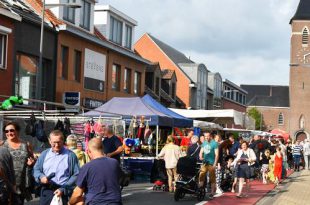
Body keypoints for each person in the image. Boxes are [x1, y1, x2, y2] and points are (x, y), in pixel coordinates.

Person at [69, 138, 122, 205]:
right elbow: (120, 179)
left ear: (89, 151)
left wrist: (69, 203)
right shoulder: (114, 163)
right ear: (103, 148)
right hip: (115, 202)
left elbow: (78, 193)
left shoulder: (87, 167)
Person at [33, 130, 80, 205]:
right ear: (49, 141)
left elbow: (76, 174)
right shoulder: (44, 154)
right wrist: (41, 177)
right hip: (47, 191)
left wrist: (63, 189)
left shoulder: (71, 155)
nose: (56, 145)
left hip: (63, 192)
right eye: (54, 142)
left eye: (58, 142)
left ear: (63, 141)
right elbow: (36, 169)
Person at [2, 121, 35, 205]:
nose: (9, 133)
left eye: (11, 130)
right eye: (6, 131)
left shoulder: (26, 145)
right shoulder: (2, 145)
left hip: (21, 184)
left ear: (17, 131)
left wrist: (31, 163)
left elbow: (32, 160)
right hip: (6, 183)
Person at [199, 132, 219, 199]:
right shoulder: (204, 143)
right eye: (205, 136)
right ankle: (200, 190)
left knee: (212, 178)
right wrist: (200, 156)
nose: (206, 138)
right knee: (201, 175)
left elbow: (217, 155)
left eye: (207, 136)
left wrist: (215, 164)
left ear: (210, 136)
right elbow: (201, 152)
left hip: (211, 163)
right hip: (204, 163)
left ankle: (212, 193)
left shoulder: (214, 143)